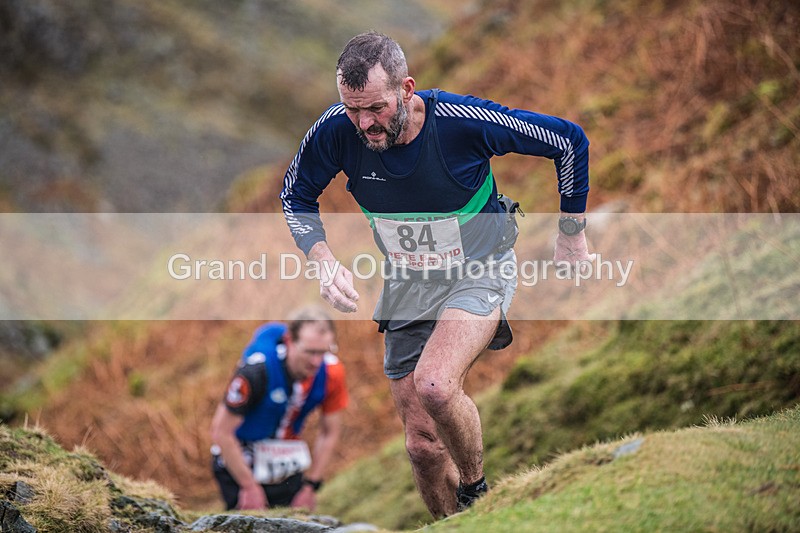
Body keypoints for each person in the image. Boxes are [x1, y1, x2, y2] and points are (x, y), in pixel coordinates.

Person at [279, 32, 591, 517]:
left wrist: (571, 231)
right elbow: (294, 195)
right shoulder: (336, 130)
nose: (365, 124)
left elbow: (568, 141)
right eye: (353, 109)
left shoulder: (460, 122)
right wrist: (323, 260)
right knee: (422, 446)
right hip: (407, 282)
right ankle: (453, 524)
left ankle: (478, 493)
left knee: (435, 386)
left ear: (406, 89)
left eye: (377, 108)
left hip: (480, 267)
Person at [210, 307, 348, 511]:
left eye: (323, 352)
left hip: (286, 463)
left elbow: (330, 431)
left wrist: (311, 485)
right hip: (239, 462)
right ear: (290, 341)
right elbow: (221, 431)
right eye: (310, 352)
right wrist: (248, 486)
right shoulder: (257, 370)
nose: (316, 361)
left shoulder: (332, 373)